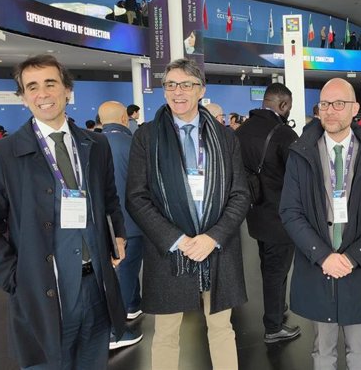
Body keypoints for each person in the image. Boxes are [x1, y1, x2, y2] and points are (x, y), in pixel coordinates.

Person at [0, 54, 127, 369]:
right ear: (23, 97)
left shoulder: (95, 145)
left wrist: (118, 235)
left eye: (50, 83)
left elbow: (109, 199)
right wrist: (15, 279)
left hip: (96, 285)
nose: (42, 94)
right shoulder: (0, 156)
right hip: (43, 292)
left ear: (67, 90)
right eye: (32, 87)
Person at [126, 58, 249, 370]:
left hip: (218, 248)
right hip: (169, 251)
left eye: (186, 85)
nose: (177, 92)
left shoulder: (225, 137)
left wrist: (213, 237)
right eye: (170, 85)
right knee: (165, 333)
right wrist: (178, 239)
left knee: (222, 329)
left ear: (201, 90)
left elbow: (240, 194)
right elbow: (137, 197)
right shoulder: (147, 136)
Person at [280, 78, 361, 370]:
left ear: (355, 109)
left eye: (338, 104)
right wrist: (323, 255)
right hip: (317, 263)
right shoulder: (301, 153)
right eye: (324, 104)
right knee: (322, 348)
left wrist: (353, 256)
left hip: (360, 264)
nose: (330, 111)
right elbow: (290, 210)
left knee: (359, 347)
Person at [235, 83, 301, 343]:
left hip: (255, 214)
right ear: (283, 105)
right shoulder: (285, 135)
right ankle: (273, 327)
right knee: (277, 270)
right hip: (282, 219)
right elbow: (298, 180)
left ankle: (278, 309)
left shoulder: (241, 131)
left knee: (270, 267)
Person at [98, 101, 145, 350]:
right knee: (126, 271)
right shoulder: (133, 145)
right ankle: (115, 331)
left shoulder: (90, 145)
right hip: (132, 222)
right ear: (125, 119)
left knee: (125, 269)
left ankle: (133, 305)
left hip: (101, 224)